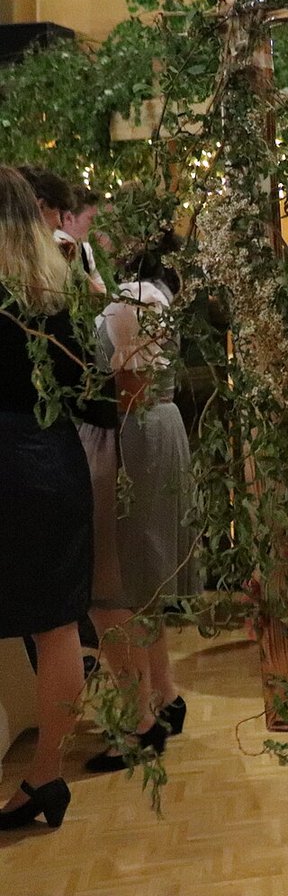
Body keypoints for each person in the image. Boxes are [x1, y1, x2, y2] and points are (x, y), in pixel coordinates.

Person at [0, 166, 93, 831]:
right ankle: (47, 772)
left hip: (7, 464)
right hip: (55, 458)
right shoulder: (55, 285)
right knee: (57, 627)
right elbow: (84, 384)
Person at [84, 239, 191, 772]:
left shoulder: (134, 297)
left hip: (135, 431)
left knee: (112, 582)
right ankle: (164, 696)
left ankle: (137, 720)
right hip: (151, 427)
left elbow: (130, 385)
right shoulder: (151, 296)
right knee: (139, 577)